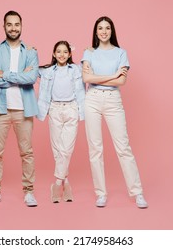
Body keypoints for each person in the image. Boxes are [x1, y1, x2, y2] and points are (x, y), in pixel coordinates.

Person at [81, 16, 148, 208]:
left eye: (107, 28)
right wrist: (112, 75)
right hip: (92, 99)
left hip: (112, 100)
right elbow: (86, 78)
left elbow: (121, 82)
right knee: (95, 148)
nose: (103, 31)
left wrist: (98, 77)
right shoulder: (89, 52)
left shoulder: (121, 53)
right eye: (100, 28)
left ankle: (137, 193)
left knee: (123, 147)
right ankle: (100, 193)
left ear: (112, 31)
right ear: (95, 31)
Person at [0, 10, 39, 208]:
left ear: (21, 26)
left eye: (17, 24)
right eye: (9, 24)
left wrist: (5, 74)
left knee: (27, 152)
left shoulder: (31, 52)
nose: (13, 28)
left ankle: (29, 192)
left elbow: (32, 78)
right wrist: (18, 77)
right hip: (0, 109)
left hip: (23, 109)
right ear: (4, 26)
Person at [37, 41, 86, 203]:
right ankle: (66, 182)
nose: (62, 55)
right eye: (58, 51)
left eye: (65, 52)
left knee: (67, 148)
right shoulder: (48, 71)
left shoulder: (76, 70)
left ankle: (57, 183)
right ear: (53, 54)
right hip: (55, 110)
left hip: (72, 108)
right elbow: (30, 70)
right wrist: (31, 52)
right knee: (57, 149)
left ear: (70, 54)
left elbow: (89, 62)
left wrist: (90, 50)